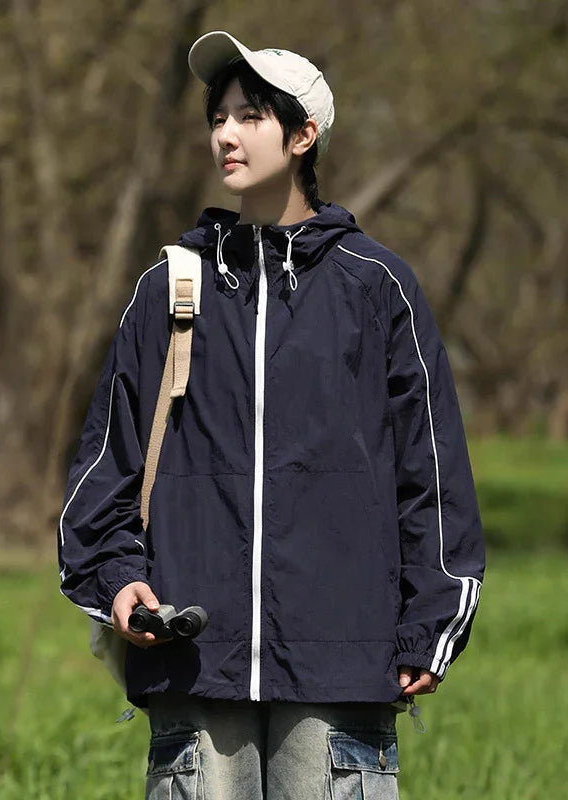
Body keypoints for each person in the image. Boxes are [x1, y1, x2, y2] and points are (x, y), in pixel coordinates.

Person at [58, 30, 485, 800]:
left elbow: (432, 475)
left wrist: (432, 622)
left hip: (341, 660)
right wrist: (120, 580)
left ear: (303, 134)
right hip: (195, 663)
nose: (225, 133)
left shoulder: (378, 288)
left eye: (250, 115)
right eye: (217, 116)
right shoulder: (168, 288)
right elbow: (106, 467)